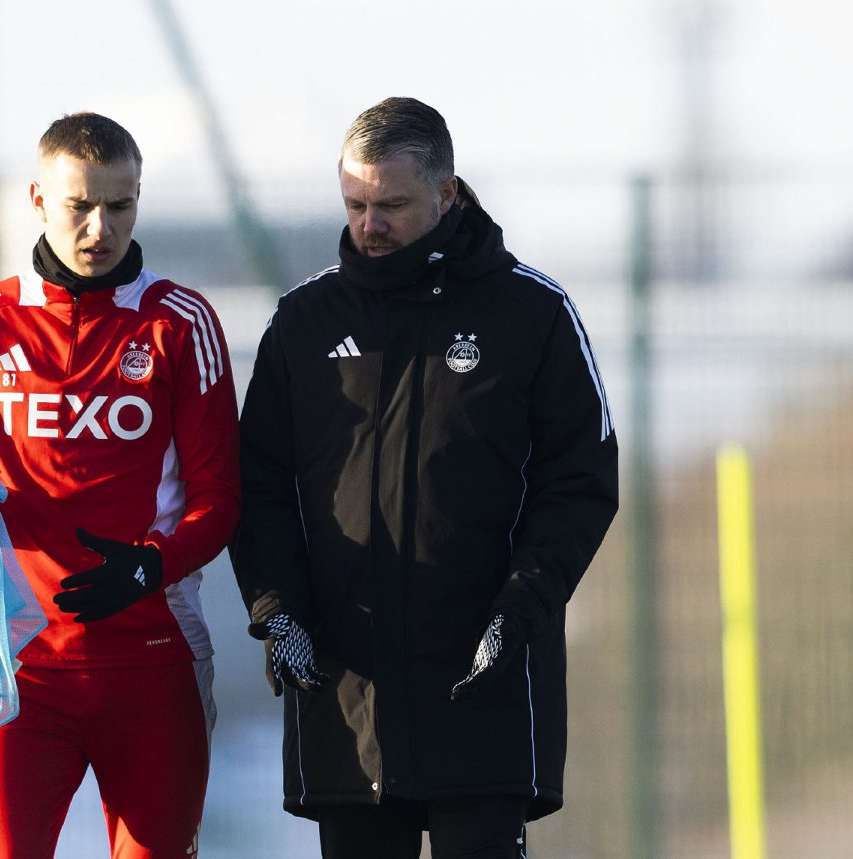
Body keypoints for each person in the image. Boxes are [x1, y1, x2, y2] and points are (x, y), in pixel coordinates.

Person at [230, 97, 619, 859]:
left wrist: (523, 607)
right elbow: (258, 484)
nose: (369, 224)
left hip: (485, 683)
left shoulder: (532, 313)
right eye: (355, 204)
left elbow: (581, 479)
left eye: (392, 205)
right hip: (345, 690)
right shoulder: (302, 323)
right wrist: (278, 612)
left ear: (446, 194)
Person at [0, 112, 240, 858]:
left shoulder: (180, 323)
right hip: (18, 671)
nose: (98, 227)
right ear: (37, 199)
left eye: (119, 205)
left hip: (153, 659)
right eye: (79, 205)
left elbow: (221, 498)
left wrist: (152, 563)